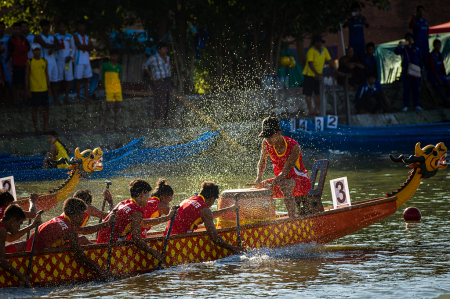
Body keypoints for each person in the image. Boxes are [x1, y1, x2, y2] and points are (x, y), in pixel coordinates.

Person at [26, 197, 115, 280]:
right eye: (82, 215)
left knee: (81, 240)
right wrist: (100, 271)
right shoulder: (69, 231)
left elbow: (85, 230)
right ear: (76, 215)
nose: (83, 218)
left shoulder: (60, 219)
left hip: (31, 250)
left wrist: (107, 223)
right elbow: (80, 256)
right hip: (36, 260)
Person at [97, 179, 175, 262]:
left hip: (102, 239)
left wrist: (111, 202)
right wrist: (156, 254)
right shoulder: (136, 211)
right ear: (142, 194)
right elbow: (137, 239)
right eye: (147, 196)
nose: (148, 199)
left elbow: (111, 218)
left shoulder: (123, 202)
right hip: (107, 246)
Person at [164, 181, 244, 253]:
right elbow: (214, 237)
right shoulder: (204, 210)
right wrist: (234, 249)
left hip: (166, 238)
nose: (213, 203)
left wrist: (229, 209)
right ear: (211, 199)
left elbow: (208, 215)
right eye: (214, 201)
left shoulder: (189, 200)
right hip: (176, 243)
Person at [254, 117, 311, 217]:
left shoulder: (294, 147)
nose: (267, 139)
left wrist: (272, 184)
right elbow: (262, 162)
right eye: (265, 136)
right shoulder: (266, 144)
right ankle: (267, 220)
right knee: (261, 188)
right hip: (280, 180)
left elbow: (285, 172)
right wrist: (259, 178)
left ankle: (292, 219)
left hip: (301, 181)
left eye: (270, 136)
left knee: (284, 184)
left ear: (278, 133)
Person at [0, 205, 42, 287]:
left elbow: (11, 238)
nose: (19, 228)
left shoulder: (1, 226)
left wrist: (32, 226)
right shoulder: (2, 230)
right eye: (19, 224)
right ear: (13, 220)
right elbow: (1, 260)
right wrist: (21, 276)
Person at [302, 35, 338, 116]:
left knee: (318, 93)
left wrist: (336, 70)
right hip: (309, 75)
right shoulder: (311, 51)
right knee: (308, 94)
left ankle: (316, 111)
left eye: (320, 42)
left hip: (319, 75)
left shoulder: (324, 50)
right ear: (314, 43)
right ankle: (310, 111)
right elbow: (310, 63)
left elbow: (329, 60)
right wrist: (316, 73)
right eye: (317, 42)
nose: (319, 43)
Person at [142, 42, 172, 128]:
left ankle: (166, 120)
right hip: (159, 81)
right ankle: (157, 121)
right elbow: (144, 66)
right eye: (163, 48)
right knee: (159, 100)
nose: (165, 50)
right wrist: (152, 75)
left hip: (167, 79)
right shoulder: (154, 58)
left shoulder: (167, 58)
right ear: (159, 50)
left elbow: (168, 69)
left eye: (166, 48)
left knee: (167, 100)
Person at [394, 33, 424, 112]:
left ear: (412, 39)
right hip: (406, 71)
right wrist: (399, 46)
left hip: (415, 71)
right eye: (406, 39)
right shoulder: (403, 49)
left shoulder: (416, 49)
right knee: (406, 88)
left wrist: (422, 69)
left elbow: (420, 60)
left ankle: (416, 105)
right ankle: (405, 105)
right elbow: (396, 52)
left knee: (416, 88)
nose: (408, 40)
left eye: (410, 39)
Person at [25, 43, 51, 134]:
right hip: (34, 89)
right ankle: (36, 128)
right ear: (32, 51)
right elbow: (27, 76)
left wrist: (49, 87)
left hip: (44, 88)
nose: (37, 52)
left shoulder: (44, 61)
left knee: (46, 107)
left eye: (38, 50)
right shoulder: (29, 62)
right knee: (35, 108)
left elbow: (47, 75)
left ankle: (46, 127)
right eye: (35, 50)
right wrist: (27, 89)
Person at [34, 19, 60, 104]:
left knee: (55, 81)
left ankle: (56, 100)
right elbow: (45, 45)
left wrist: (53, 49)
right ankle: (45, 100)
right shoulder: (38, 36)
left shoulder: (52, 37)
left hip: (53, 62)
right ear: (41, 27)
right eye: (44, 26)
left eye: (47, 26)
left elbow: (59, 46)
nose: (46, 28)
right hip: (44, 61)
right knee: (46, 81)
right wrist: (53, 46)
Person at [6, 22, 31, 105]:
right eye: (16, 29)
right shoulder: (10, 40)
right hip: (16, 64)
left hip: (24, 64)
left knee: (25, 83)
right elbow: (12, 52)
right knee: (16, 84)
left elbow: (27, 49)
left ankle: (25, 100)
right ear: (13, 30)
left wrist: (19, 49)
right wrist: (21, 49)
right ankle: (16, 100)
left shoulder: (25, 39)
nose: (17, 31)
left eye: (19, 29)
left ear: (21, 30)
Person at [70, 19, 93, 102]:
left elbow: (91, 48)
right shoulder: (75, 36)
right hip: (79, 60)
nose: (81, 27)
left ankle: (86, 96)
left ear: (85, 27)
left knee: (86, 79)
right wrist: (86, 47)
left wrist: (84, 47)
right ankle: (79, 96)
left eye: (82, 26)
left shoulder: (86, 37)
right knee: (78, 79)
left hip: (86, 60)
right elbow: (79, 46)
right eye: (79, 26)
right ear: (77, 27)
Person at [101, 48, 122, 131]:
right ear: (110, 56)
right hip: (109, 89)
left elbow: (119, 77)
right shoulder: (105, 65)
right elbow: (102, 77)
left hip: (117, 89)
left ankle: (116, 125)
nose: (114, 57)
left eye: (116, 56)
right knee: (108, 107)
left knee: (117, 108)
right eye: (113, 56)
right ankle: (104, 125)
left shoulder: (119, 66)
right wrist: (104, 86)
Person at [54, 20, 73, 104]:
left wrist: (70, 56)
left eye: (64, 26)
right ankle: (56, 99)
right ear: (58, 28)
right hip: (59, 62)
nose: (63, 28)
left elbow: (73, 48)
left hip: (67, 62)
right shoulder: (55, 36)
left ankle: (66, 97)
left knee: (67, 79)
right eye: (61, 26)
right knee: (58, 80)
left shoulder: (69, 36)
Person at [427, 39, 450, 107]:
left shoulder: (440, 55)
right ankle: (447, 103)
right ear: (434, 46)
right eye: (436, 45)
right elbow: (432, 68)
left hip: (439, 74)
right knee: (439, 89)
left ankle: (445, 102)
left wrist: (445, 74)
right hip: (433, 75)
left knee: (448, 86)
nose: (438, 47)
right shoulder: (431, 55)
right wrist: (438, 79)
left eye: (439, 45)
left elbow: (442, 65)